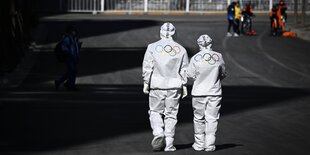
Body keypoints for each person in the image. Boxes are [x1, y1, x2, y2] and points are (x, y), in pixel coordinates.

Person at [142, 22, 189, 152]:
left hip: (156, 84)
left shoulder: (152, 47)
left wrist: (146, 82)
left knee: (155, 111)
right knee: (171, 114)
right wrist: (184, 85)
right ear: (174, 32)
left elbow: (147, 67)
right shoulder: (181, 49)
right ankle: (169, 143)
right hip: (175, 85)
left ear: (160, 31)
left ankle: (158, 131)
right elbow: (184, 70)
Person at [187, 34, 226, 152]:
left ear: (199, 44)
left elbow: (190, 75)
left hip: (198, 92)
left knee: (199, 118)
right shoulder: (218, 56)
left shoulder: (195, 58)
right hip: (214, 92)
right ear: (211, 43)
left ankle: (199, 144)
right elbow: (223, 73)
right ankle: (210, 144)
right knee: (212, 118)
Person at [54, 26, 81, 91]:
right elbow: (64, 48)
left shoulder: (74, 38)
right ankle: (71, 85)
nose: (74, 32)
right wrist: (69, 53)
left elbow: (76, 48)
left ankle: (61, 82)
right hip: (70, 57)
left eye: (74, 31)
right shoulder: (67, 39)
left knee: (72, 72)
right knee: (72, 72)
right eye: (72, 31)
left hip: (74, 57)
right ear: (69, 32)